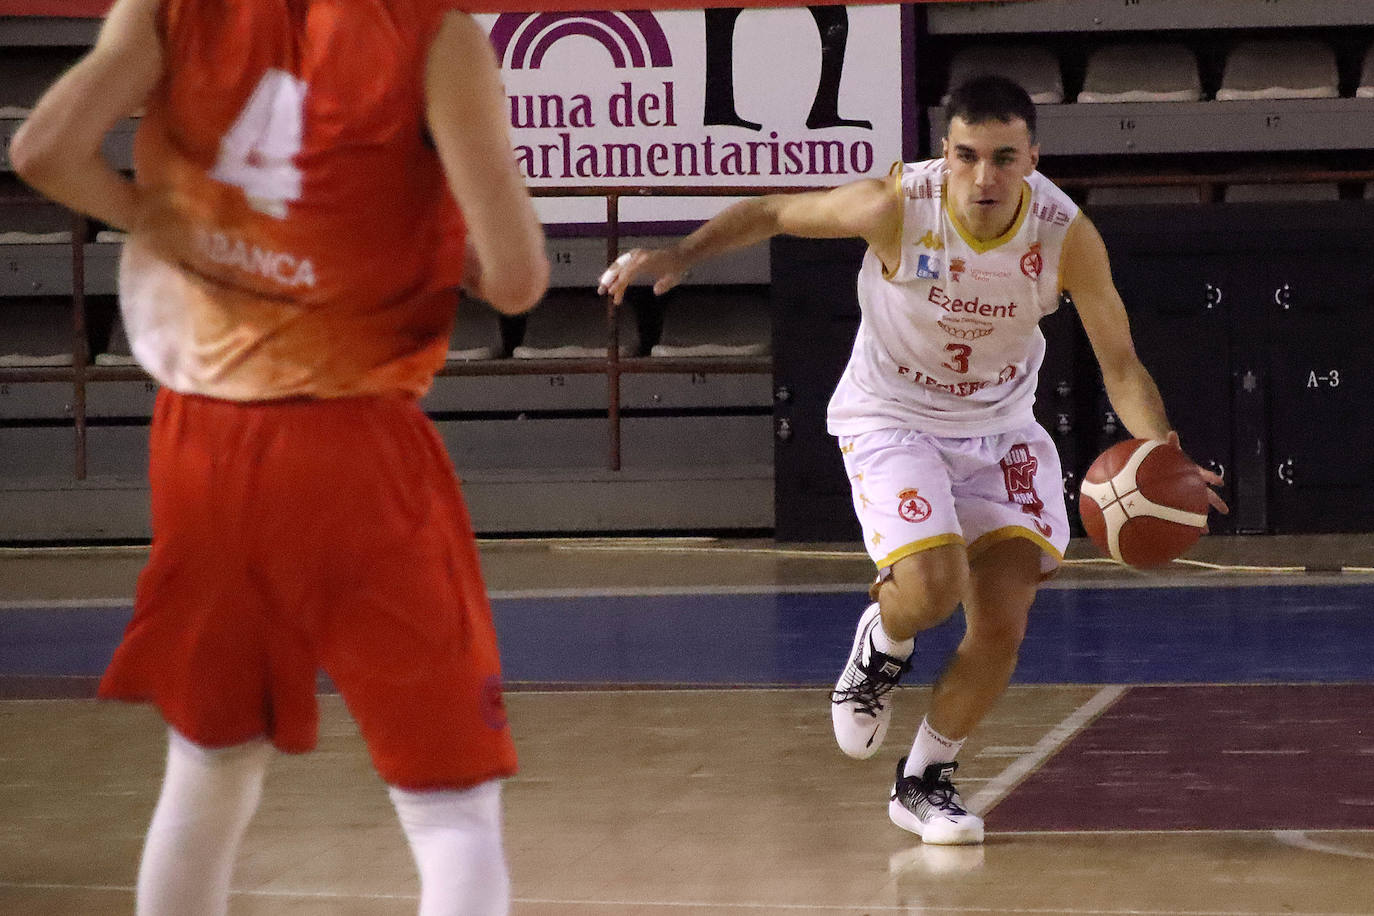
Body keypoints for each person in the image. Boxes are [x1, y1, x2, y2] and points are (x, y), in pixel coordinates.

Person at [11, 0, 548, 911]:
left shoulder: (170, 8)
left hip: (199, 445)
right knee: (451, 806)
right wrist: (433, 242)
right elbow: (518, 278)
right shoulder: (434, 34)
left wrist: (152, 218)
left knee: (210, 764)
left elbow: (41, 150)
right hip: (352, 443)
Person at [599, 75, 1227, 846]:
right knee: (932, 588)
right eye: (967, 156)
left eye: (1004, 158)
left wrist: (1167, 457)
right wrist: (681, 252)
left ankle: (924, 779)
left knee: (1003, 617)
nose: (984, 177)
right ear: (945, 152)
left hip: (1000, 428)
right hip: (892, 417)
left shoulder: (1066, 236)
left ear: (1033, 157)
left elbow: (1121, 366)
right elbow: (772, 211)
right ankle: (883, 642)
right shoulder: (895, 206)